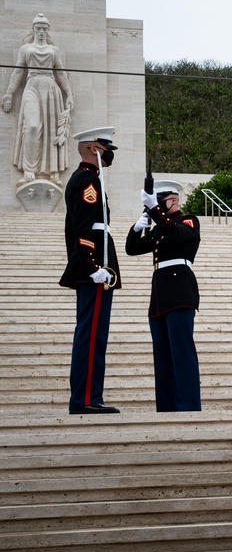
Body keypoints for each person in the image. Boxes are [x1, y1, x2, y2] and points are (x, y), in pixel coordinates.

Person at [59, 127, 121, 414]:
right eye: (105, 147)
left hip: (95, 266)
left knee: (96, 334)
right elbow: (83, 229)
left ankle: (90, 396)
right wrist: (94, 267)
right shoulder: (87, 181)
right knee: (91, 333)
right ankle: (84, 399)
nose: (109, 154)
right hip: (93, 268)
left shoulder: (90, 179)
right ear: (91, 149)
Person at [125, 180, 202, 411]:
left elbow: (176, 234)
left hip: (180, 292)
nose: (156, 206)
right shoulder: (160, 226)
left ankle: (188, 406)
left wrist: (156, 213)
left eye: (160, 202)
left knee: (182, 353)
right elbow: (132, 249)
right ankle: (166, 407)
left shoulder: (188, 220)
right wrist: (137, 228)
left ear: (174, 200)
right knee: (162, 357)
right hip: (159, 296)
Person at [2, 13, 75, 185]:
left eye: (44, 28)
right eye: (38, 28)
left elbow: (61, 74)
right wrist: (9, 94)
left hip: (50, 89)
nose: (41, 31)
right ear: (33, 29)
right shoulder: (26, 49)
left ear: (47, 30)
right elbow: (18, 72)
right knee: (32, 127)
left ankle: (53, 171)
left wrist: (69, 94)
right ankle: (29, 169)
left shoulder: (53, 51)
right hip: (32, 87)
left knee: (51, 131)